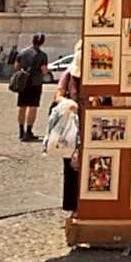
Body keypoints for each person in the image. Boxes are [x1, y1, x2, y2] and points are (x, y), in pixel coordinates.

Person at [54, 40, 81, 211]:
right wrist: (67, 102)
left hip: (91, 122)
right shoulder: (68, 74)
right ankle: (72, 204)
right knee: (70, 163)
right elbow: (58, 95)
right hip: (72, 123)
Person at [15, 33, 48, 141]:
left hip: (23, 83)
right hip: (35, 83)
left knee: (22, 107)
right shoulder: (42, 55)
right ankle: (28, 131)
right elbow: (44, 70)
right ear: (42, 42)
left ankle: (21, 131)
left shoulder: (22, 52)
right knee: (32, 107)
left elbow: (16, 66)